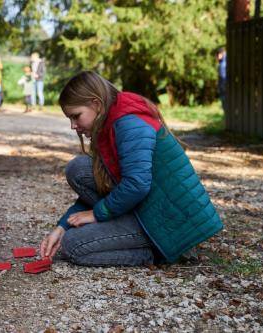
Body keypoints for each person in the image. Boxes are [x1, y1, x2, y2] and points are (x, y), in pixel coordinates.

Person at [40, 71, 223, 267]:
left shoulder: (129, 123)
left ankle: (162, 251)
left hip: (170, 220)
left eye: (76, 116)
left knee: (74, 246)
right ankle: (133, 232)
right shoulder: (108, 123)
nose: (73, 126)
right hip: (146, 207)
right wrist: (62, 227)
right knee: (78, 168)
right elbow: (105, 186)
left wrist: (97, 214)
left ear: (96, 104)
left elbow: (137, 184)